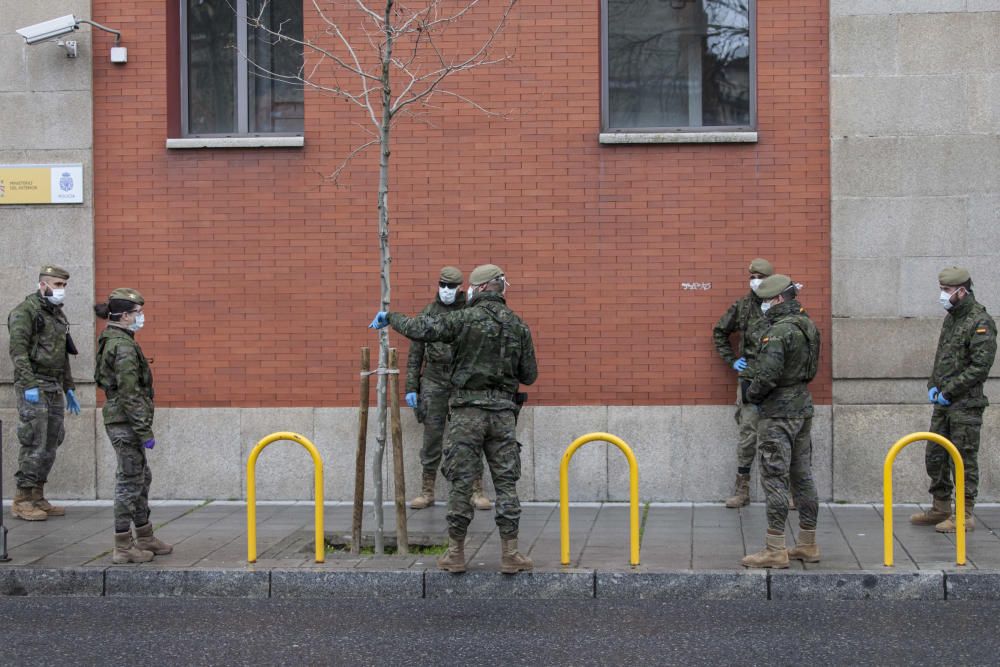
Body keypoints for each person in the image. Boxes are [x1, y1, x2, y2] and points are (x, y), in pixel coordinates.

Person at [370, 264, 537, 574]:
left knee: (460, 483)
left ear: (481, 288)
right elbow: (529, 375)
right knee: (506, 485)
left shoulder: (461, 320)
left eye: (470, 286)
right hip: (502, 415)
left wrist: (390, 318)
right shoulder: (519, 326)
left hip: (466, 414)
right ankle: (511, 553)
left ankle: (455, 554)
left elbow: (424, 329)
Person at [740, 275, 821, 569]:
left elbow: (768, 375)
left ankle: (775, 548)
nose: (762, 306)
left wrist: (752, 393)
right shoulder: (808, 325)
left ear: (776, 299)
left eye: (765, 300)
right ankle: (808, 543)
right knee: (803, 476)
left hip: (777, 414)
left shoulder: (778, 332)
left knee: (775, 479)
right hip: (803, 408)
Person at [910, 267, 996, 533]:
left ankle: (965, 514)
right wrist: (933, 385)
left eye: (946, 291)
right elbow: (942, 358)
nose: (942, 295)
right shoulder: (953, 318)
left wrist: (949, 391)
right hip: (944, 404)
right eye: (941, 290)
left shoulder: (979, 322)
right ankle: (941, 506)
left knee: (963, 458)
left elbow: (980, 367)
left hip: (965, 405)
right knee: (935, 455)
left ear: (962, 291)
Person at [94, 288, 172, 564]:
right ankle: (123, 546)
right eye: (137, 313)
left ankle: (145, 535)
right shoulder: (123, 346)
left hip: (124, 421)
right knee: (129, 482)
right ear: (125, 316)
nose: (141, 317)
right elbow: (129, 393)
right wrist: (144, 430)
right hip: (125, 422)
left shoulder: (113, 339)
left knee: (141, 477)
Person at [405, 267, 491, 511]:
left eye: (451, 287)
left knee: (470, 435)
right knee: (432, 436)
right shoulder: (429, 313)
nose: (445, 291)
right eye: (442, 285)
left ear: (460, 288)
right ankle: (427, 490)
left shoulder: (470, 312)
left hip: (462, 381)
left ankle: (476, 490)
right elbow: (415, 355)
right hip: (433, 380)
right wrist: (412, 387)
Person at [7, 265, 81, 521]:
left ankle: (38, 494)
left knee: (52, 440)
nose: (61, 290)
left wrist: (69, 388)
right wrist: (29, 385)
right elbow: (18, 352)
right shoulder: (25, 312)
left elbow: (64, 356)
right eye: (57, 285)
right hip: (35, 384)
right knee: (34, 440)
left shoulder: (57, 315)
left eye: (64, 286)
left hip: (53, 384)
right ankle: (22, 498)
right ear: (43, 285)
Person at [713, 258, 777, 509]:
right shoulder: (742, 305)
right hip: (750, 379)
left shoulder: (782, 305)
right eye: (751, 276)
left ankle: (788, 491)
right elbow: (720, 331)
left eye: (759, 276)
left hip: (777, 382)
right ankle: (742, 490)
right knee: (748, 436)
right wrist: (732, 360)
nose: (754, 280)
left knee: (780, 436)